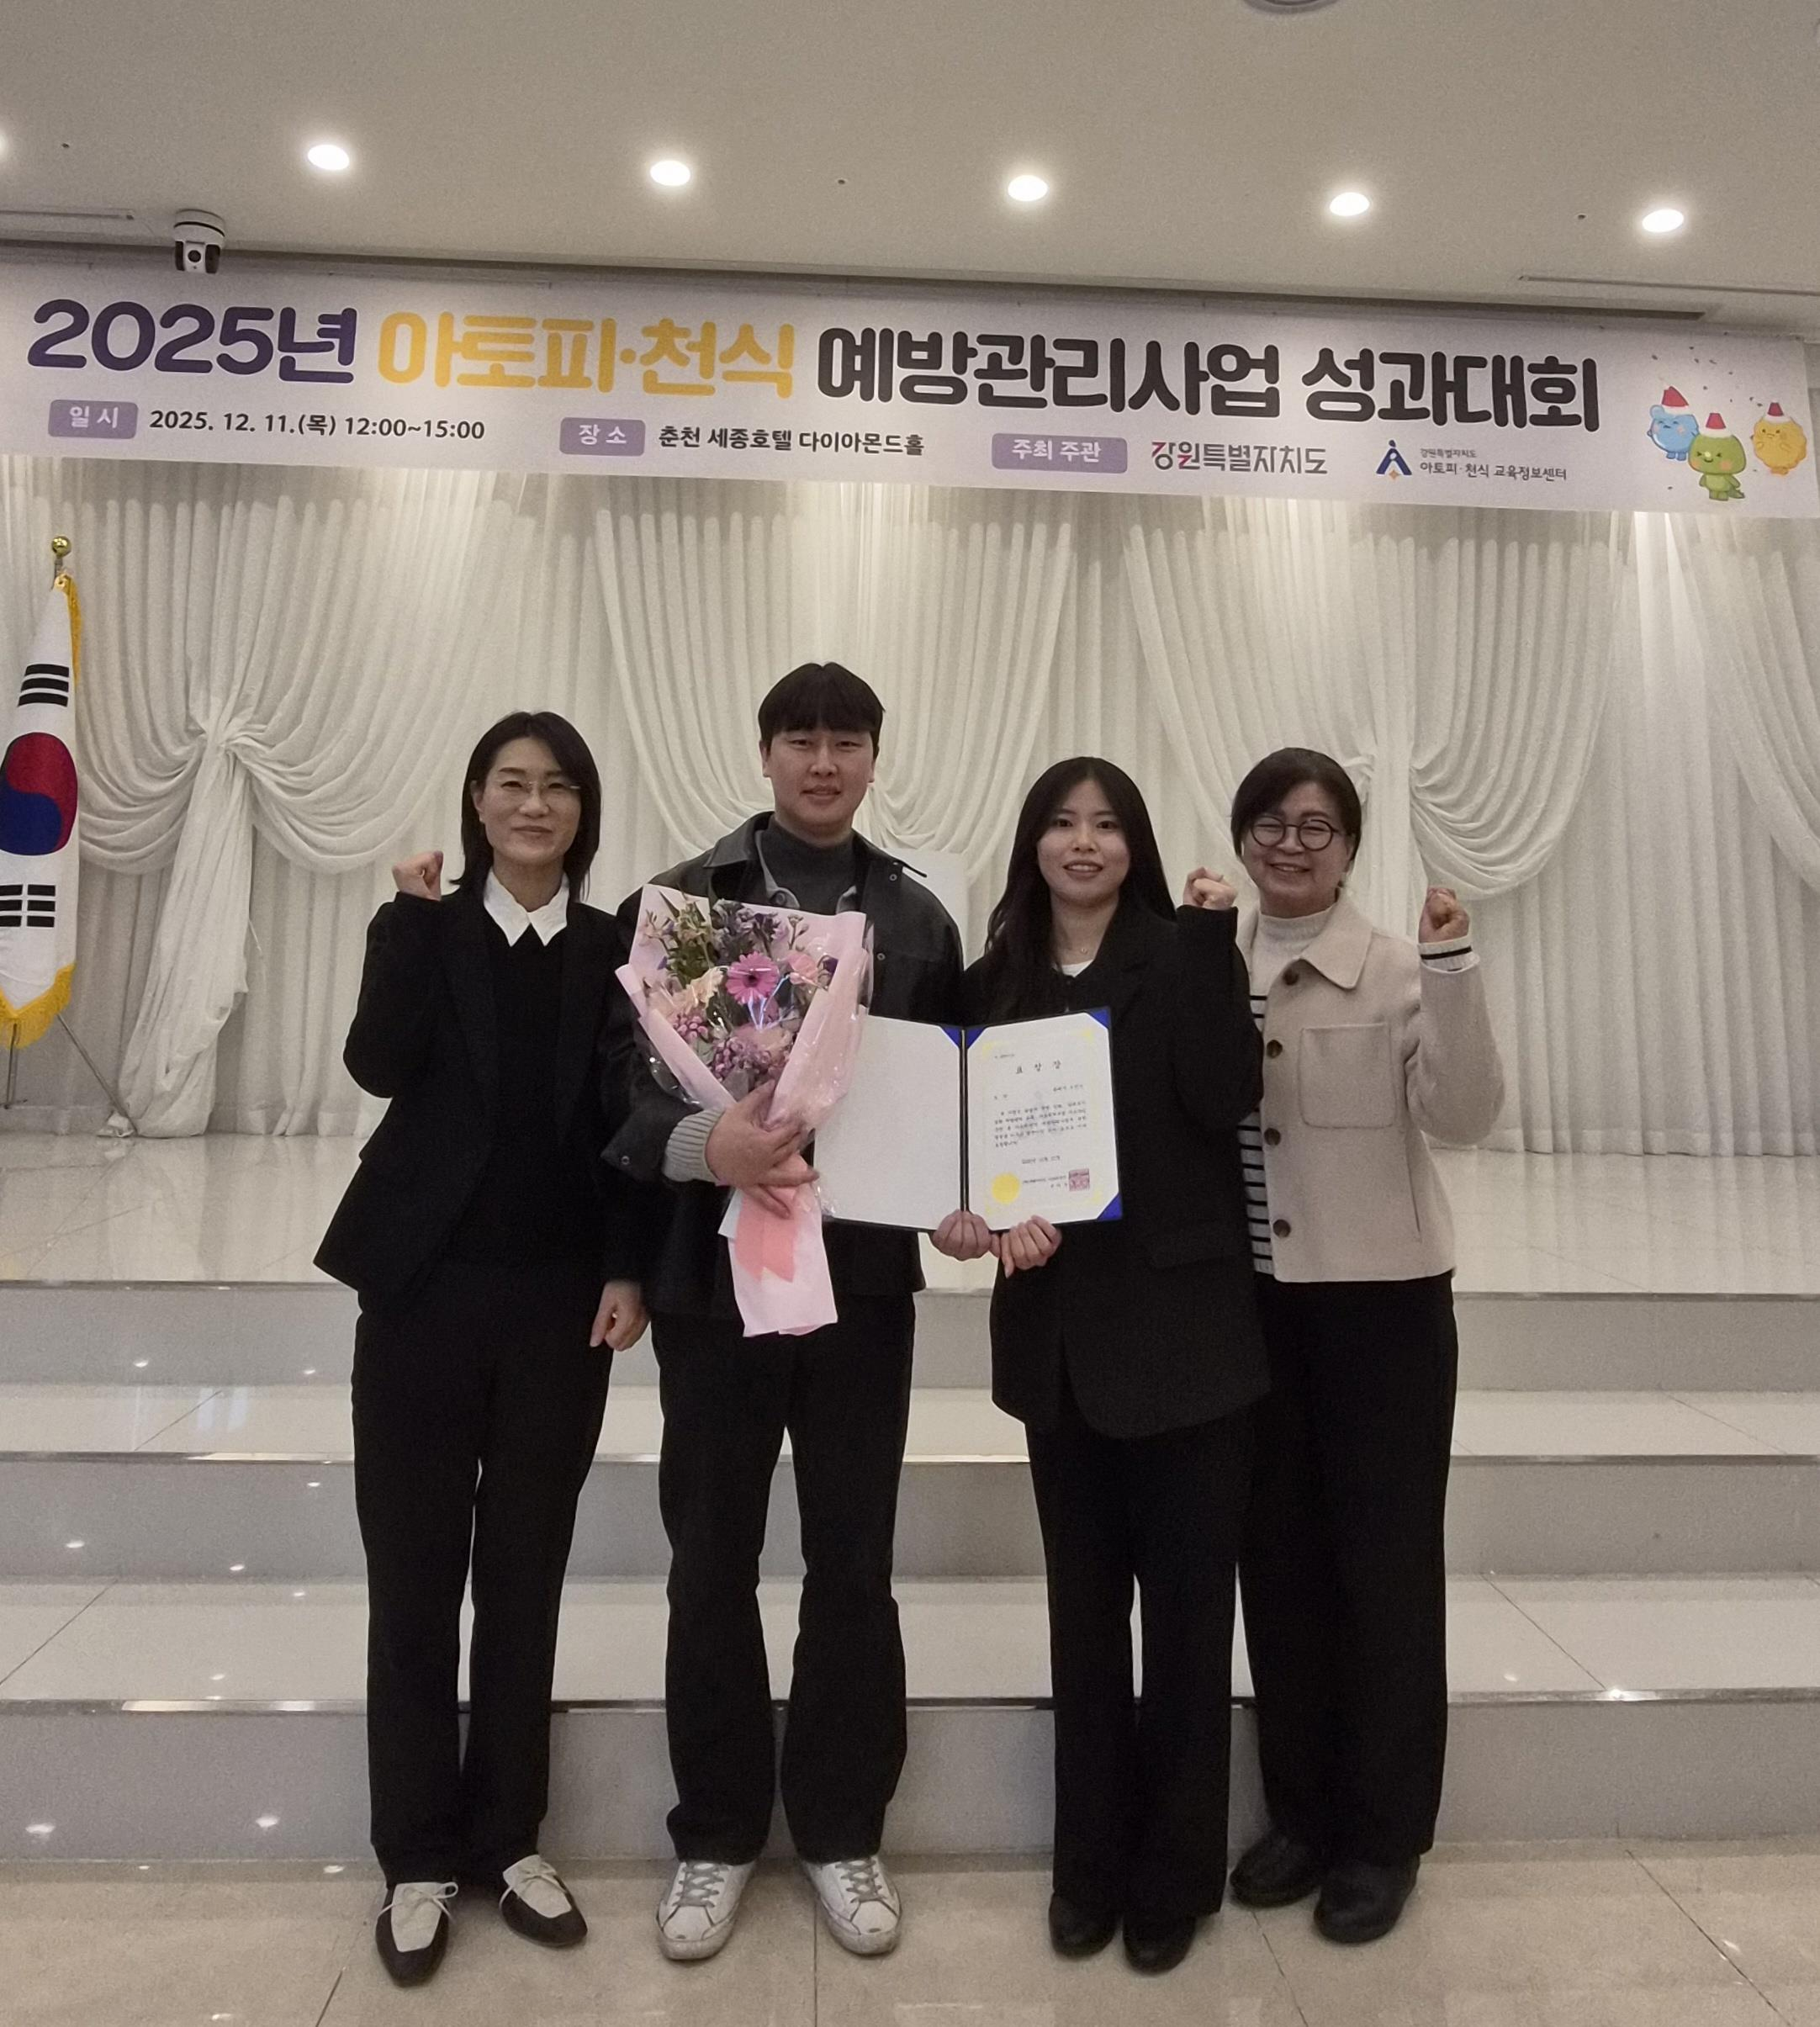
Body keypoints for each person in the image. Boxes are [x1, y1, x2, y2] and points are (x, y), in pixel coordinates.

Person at [604, 662, 962, 1963]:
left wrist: (959, 1194)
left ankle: (841, 1825)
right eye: (801, 739)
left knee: (853, 1559)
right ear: (764, 752)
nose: (823, 762)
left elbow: (943, 1097)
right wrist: (713, 1145)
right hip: (715, 1288)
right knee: (710, 1557)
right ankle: (713, 1831)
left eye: (846, 741)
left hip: (860, 1287)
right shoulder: (688, 902)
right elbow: (624, 1097)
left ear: (873, 757)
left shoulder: (916, 917)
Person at [316, 711, 653, 1987]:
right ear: (475, 800)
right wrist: (408, 922)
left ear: (583, 810)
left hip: (561, 1307)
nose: (533, 804)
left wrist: (629, 1265)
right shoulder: (426, 927)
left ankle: (509, 1837)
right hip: (420, 1296)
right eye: (511, 783)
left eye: (558, 787)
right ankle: (413, 1856)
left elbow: (635, 1121)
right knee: (412, 1582)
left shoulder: (618, 947)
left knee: (525, 1576)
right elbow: (376, 1062)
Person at [932, 756, 1267, 1976]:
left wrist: (1215, 945)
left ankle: (1174, 1875)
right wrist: (967, 1215)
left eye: (1108, 824)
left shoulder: (1183, 953)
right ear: (1031, 842)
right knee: (1082, 1623)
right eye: (1064, 823)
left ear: (1136, 845)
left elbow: (1224, 1095)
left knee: (1186, 1624)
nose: (1084, 842)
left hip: (1188, 1345)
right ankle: (1087, 1869)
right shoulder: (989, 984)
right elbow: (960, 1157)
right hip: (1060, 1351)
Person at [1195, 747, 1504, 1946]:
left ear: (1351, 846)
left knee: (1385, 1573)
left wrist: (1454, 970)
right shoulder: (1209, 960)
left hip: (1382, 1311)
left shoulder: (1399, 967)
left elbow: (1465, 1115)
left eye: (1317, 826)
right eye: (1270, 823)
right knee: (1276, 1567)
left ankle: (1384, 1837)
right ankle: (1304, 1816)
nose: (1291, 844)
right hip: (1253, 1311)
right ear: (1242, 836)